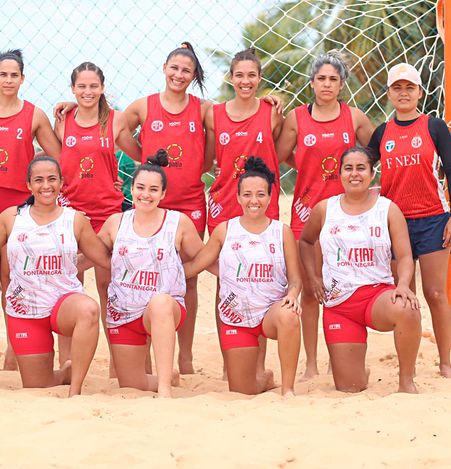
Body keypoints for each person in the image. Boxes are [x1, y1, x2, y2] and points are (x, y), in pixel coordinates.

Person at [55, 43, 283, 374]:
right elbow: (114, 127)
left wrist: (270, 103)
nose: (178, 75)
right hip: (150, 201)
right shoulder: (143, 107)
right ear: (164, 68)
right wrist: (142, 159)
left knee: (187, 278)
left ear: (193, 76)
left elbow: (233, 122)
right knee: (139, 278)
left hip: (189, 201)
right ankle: (139, 357)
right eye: (173, 68)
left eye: (186, 70)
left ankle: (185, 358)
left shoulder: (204, 109)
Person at [0, 156, 108, 395]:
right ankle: (65, 373)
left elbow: (103, 257)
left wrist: (73, 265)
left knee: (89, 309)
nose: (46, 185)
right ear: (29, 184)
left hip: (64, 305)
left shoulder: (75, 220)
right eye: (38, 180)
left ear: (61, 182)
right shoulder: (12, 218)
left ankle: (75, 390)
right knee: (37, 385)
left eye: (52, 179)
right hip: (25, 310)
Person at [275, 50, 375, 381]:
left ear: (342, 83)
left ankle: (339, 360)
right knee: (309, 289)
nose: (327, 84)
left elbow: (376, 157)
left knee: (342, 285)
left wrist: (370, 191)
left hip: (348, 215)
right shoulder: (296, 118)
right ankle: (311, 365)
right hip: (308, 212)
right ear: (312, 82)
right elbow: (278, 156)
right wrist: (305, 166)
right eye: (321, 78)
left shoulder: (355, 118)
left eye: (333, 78)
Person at [0, 49, 62, 371]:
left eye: (14, 74)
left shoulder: (34, 115)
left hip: (19, 202)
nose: (8, 80)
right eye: (2, 74)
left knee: (14, 276)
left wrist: (63, 120)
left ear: (22, 78)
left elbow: (57, 155)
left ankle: (13, 349)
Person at [298, 147, 422, 394]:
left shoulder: (387, 209)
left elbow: (405, 255)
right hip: (340, 306)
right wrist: (313, 276)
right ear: (340, 173)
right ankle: (358, 370)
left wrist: (404, 284)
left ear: (372, 173)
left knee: (407, 308)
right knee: (349, 387)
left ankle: (406, 382)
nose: (354, 174)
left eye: (361, 168)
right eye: (348, 168)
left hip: (376, 297)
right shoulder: (325, 209)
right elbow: (305, 241)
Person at [366, 62, 451, 379]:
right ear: (389, 93)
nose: (403, 93)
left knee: (435, 294)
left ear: (420, 92)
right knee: (405, 296)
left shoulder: (434, 127)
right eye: (397, 87)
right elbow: (361, 169)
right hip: (396, 226)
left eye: (410, 87)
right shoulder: (382, 133)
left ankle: (444, 362)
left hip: (434, 219)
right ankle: (409, 363)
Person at [184, 157, 302, 396]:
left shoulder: (282, 231)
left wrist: (292, 294)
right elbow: (198, 264)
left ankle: (288, 389)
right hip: (236, 316)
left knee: (290, 314)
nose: (254, 201)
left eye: (261, 194)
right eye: (247, 194)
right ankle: (265, 379)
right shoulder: (225, 230)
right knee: (242, 391)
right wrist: (161, 274)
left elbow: (295, 278)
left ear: (271, 197)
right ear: (238, 197)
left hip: (270, 313)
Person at [97, 150, 205, 398]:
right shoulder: (115, 222)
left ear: (163, 194)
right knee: (130, 384)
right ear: (131, 189)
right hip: (125, 312)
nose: (146, 194)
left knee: (159, 302)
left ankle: (165, 390)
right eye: (141, 188)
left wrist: (180, 272)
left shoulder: (178, 222)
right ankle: (167, 378)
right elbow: (91, 256)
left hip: (165, 309)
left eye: (154, 190)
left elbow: (204, 257)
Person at [55, 62, 141, 369]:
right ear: (73, 89)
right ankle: (67, 360)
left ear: (102, 88)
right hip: (71, 214)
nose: (88, 91)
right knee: (69, 289)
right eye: (82, 86)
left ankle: (118, 363)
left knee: (110, 291)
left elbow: (141, 156)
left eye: (94, 86)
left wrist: (128, 183)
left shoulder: (115, 122)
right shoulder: (63, 120)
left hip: (108, 213)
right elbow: (57, 163)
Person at [206, 48, 285, 376]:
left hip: (262, 206)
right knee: (228, 283)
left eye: (251, 75)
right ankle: (231, 362)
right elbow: (210, 158)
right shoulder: (214, 114)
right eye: (239, 74)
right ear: (231, 77)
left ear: (260, 78)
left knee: (262, 284)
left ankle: (258, 363)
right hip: (224, 204)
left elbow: (278, 155)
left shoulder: (272, 112)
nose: (245, 80)